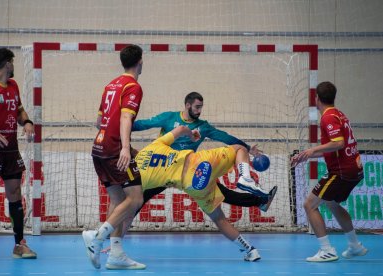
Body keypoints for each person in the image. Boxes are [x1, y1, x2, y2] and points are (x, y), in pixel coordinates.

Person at [135, 125, 268, 261]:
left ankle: (250, 250)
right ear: (135, 151)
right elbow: (181, 129)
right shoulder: (153, 145)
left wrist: (117, 239)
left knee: (219, 219)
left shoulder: (138, 177)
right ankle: (245, 177)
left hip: (193, 185)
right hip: (199, 163)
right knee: (240, 148)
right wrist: (191, 134)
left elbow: (131, 204)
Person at [133, 91, 275, 207]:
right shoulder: (169, 117)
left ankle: (261, 201)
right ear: (187, 105)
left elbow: (224, 137)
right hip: (163, 169)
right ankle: (119, 228)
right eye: (197, 107)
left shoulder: (203, 126)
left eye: (201, 107)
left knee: (220, 193)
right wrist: (120, 127)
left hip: (187, 170)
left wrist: (248, 148)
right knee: (140, 197)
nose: (200, 111)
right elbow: (144, 124)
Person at [82, 44, 146, 270]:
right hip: (114, 149)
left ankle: (116, 255)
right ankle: (97, 237)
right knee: (136, 198)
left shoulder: (110, 85)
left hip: (98, 147)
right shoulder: (133, 86)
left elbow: (99, 122)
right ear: (140, 60)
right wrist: (126, 148)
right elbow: (126, 118)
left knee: (118, 200)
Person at [291, 81, 368, 262]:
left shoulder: (328, 117)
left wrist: (311, 151)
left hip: (341, 172)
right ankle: (355, 245)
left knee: (309, 205)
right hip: (353, 169)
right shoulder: (340, 114)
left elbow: (338, 143)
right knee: (332, 203)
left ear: (316, 98)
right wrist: (312, 154)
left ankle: (327, 250)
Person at [0, 48, 36, 259]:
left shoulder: (13, 86)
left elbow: (19, 111)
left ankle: (19, 245)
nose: (13, 66)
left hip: (11, 149)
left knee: (15, 192)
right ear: (7, 63)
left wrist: (28, 122)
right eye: (12, 62)